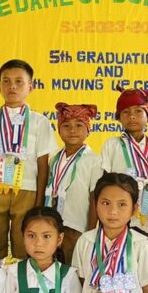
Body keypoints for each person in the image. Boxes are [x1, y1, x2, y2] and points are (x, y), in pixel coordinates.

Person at [0, 60, 57, 260]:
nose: (12, 86)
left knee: (24, 242)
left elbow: (43, 165)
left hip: (27, 190)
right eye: (6, 81)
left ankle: (22, 276)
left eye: (19, 81)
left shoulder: (40, 122)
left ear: (31, 86)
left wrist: (39, 202)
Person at [100, 88, 148, 239]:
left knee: (144, 245)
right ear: (118, 118)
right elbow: (104, 180)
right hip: (118, 209)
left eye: (138, 111)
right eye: (126, 112)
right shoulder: (111, 144)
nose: (132, 116)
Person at [45, 102, 102, 263]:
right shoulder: (53, 159)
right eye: (66, 126)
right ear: (59, 130)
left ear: (88, 130)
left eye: (79, 125)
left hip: (77, 225)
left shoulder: (95, 160)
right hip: (51, 223)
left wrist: (90, 233)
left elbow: (95, 198)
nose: (72, 130)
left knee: (75, 267)